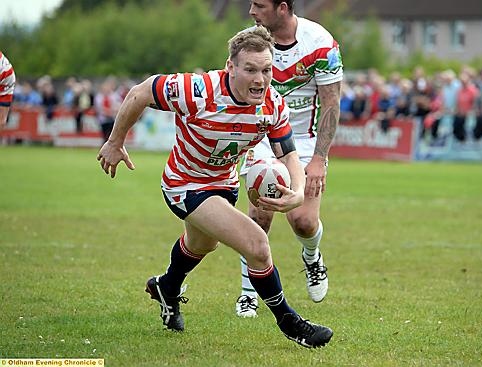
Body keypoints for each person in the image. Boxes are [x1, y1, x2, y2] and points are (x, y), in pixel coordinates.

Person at [96, 26, 333, 349]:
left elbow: (289, 155)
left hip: (224, 183)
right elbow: (141, 92)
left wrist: (297, 190)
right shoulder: (197, 89)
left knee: (202, 245)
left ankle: (167, 286)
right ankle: (290, 322)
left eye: (266, 70)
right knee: (257, 245)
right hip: (184, 184)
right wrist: (114, 141)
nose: (260, 79)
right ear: (230, 67)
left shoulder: (272, 105)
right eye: (250, 70)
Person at [236, 0, 343, 318]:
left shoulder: (321, 43)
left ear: (282, 8)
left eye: (259, 4)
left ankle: (312, 258)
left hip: (306, 143)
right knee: (259, 216)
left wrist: (320, 159)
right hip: (262, 138)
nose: (251, 11)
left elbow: (332, 103)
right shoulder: (249, 43)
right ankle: (248, 293)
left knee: (304, 221)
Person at [0, 51, 16, 129]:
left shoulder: (6, 73)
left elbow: (2, 122)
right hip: (6, 75)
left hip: (6, 77)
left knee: (2, 121)